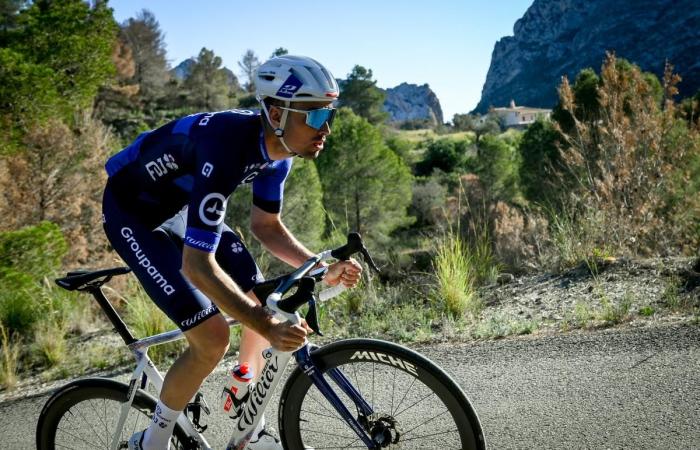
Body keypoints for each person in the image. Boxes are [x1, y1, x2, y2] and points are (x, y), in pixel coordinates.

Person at [101, 55, 362, 450]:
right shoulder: (226, 147)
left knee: (263, 297)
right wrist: (265, 327)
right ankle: (150, 442)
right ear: (276, 113)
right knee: (212, 337)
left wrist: (321, 267)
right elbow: (197, 265)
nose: (324, 127)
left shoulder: (278, 156)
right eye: (312, 116)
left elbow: (266, 227)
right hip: (133, 212)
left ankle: (247, 421)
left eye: (328, 114)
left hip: (181, 206)